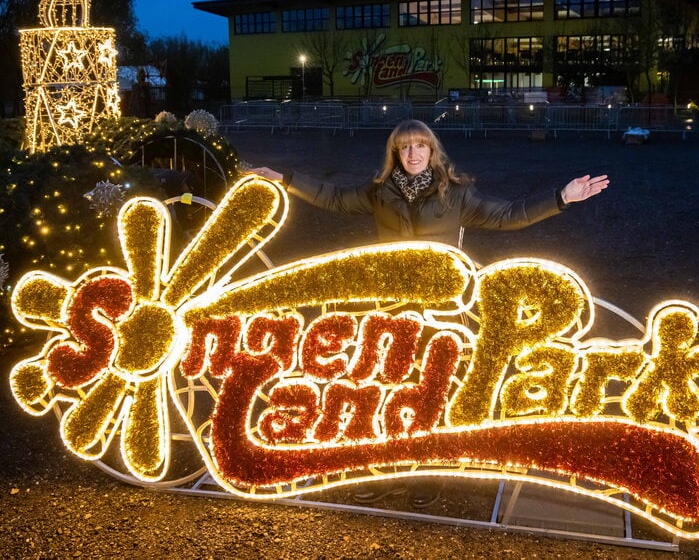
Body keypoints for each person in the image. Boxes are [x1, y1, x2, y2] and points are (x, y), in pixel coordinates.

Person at [248, 118, 609, 507]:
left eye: (420, 146)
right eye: (404, 148)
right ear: (395, 154)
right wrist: (284, 177)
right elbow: (332, 196)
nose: (413, 154)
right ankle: (379, 466)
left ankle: (423, 472)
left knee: (430, 390)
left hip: (441, 309)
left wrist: (562, 197)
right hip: (389, 305)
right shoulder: (379, 192)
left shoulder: (457, 194)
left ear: (432, 151)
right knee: (384, 387)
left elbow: (508, 215)